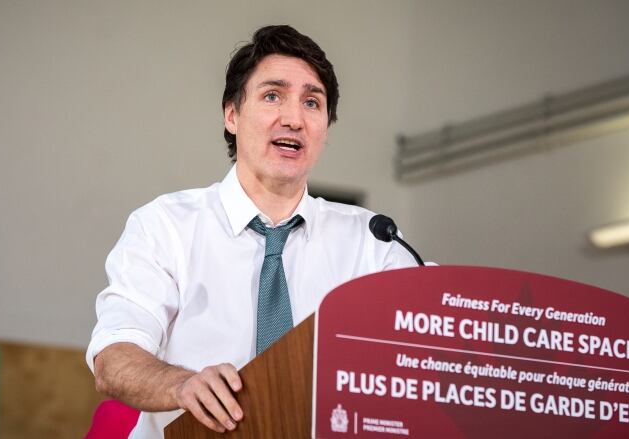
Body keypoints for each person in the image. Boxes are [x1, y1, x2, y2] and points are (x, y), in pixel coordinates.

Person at [86, 25, 417, 438]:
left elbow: (437, 336)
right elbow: (115, 356)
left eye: (312, 102)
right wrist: (182, 385)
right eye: (272, 95)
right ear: (232, 114)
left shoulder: (373, 241)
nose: (294, 118)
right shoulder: (165, 226)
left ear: (325, 129)